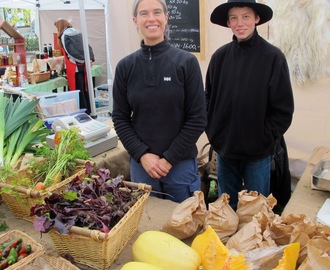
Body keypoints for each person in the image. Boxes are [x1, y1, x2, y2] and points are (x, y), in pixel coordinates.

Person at [112, 0, 207, 203]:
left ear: (166, 17)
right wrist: (143, 155)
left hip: (180, 165)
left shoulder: (186, 62)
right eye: (144, 13)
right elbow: (120, 118)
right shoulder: (125, 67)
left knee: (184, 227)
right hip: (142, 167)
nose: (151, 18)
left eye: (157, 12)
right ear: (135, 21)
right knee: (147, 226)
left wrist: (169, 159)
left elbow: (198, 118)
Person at [205, 0, 294, 210]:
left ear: (257, 19)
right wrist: (214, 133)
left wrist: (263, 139)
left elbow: (283, 110)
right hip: (225, 151)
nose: (240, 23)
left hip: (258, 154)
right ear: (228, 22)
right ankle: (229, 243)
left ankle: (254, 243)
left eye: (245, 16)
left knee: (255, 209)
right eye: (234, 18)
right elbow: (207, 99)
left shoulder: (273, 58)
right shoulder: (219, 57)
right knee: (228, 207)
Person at [54, 18, 95, 115]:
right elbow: (88, 47)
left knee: (78, 91)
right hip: (84, 65)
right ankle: (89, 111)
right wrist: (90, 59)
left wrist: (83, 60)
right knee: (85, 90)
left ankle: (83, 113)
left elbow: (71, 52)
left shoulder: (65, 36)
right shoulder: (78, 33)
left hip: (75, 67)